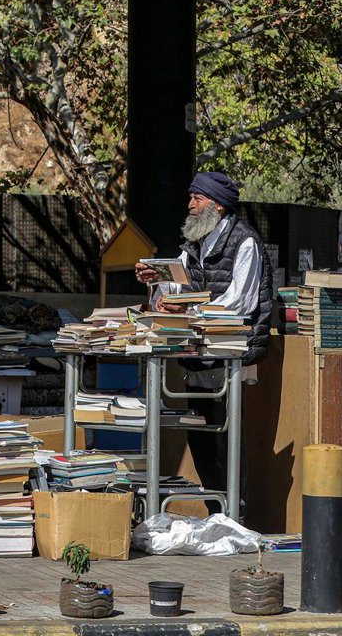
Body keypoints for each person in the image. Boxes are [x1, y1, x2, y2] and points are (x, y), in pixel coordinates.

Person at [134, 171, 273, 516]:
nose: (189, 205)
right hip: (198, 352)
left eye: (196, 198)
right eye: (191, 198)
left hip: (230, 353)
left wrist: (188, 310)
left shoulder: (245, 242)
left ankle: (236, 515)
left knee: (226, 437)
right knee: (201, 437)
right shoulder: (194, 244)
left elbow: (240, 302)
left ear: (218, 205)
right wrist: (155, 281)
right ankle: (216, 512)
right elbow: (176, 288)